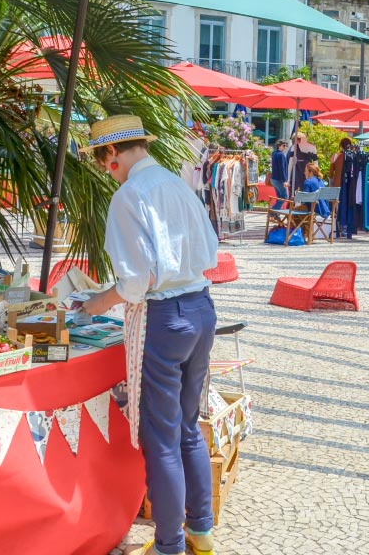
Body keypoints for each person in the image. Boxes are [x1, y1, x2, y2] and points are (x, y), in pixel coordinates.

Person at [78, 115, 219, 555]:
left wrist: (94, 304)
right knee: (188, 428)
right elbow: (210, 249)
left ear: (113, 154)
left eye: (103, 161)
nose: (105, 170)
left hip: (164, 317)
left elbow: (136, 281)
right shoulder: (177, 183)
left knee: (161, 437)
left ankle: (168, 544)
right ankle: (201, 531)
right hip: (201, 308)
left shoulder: (129, 196)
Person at [288, 131, 319, 195]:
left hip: (306, 173)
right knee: (298, 194)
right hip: (298, 174)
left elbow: (316, 164)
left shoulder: (311, 147)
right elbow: (290, 164)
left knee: (305, 193)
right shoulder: (294, 147)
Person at [269, 139, 289, 210]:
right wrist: (285, 181)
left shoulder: (274, 153)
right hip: (279, 179)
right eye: (284, 145)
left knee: (279, 197)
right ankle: (273, 212)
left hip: (273, 179)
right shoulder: (281, 155)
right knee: (284, 197)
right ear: (279, 146)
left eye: (286, 146)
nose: (285, 147)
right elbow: (282, 168)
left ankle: (276, 214)